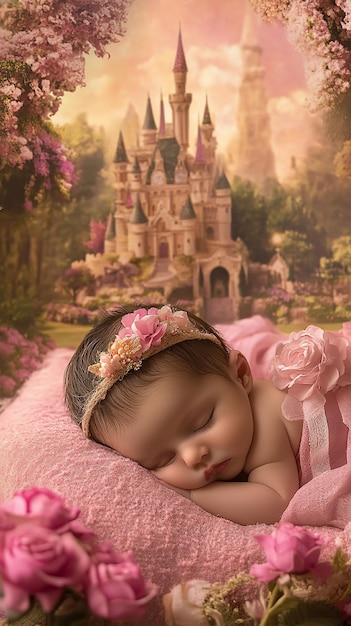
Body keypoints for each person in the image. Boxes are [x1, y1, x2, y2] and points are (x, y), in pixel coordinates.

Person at [64, 303, 348, 525]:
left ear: (240, 375)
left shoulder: (265, 418)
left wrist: (192, 495)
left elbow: (276, 500)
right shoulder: (233, 421)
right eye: (163, 459)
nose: (192, 456)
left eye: (203, 422)